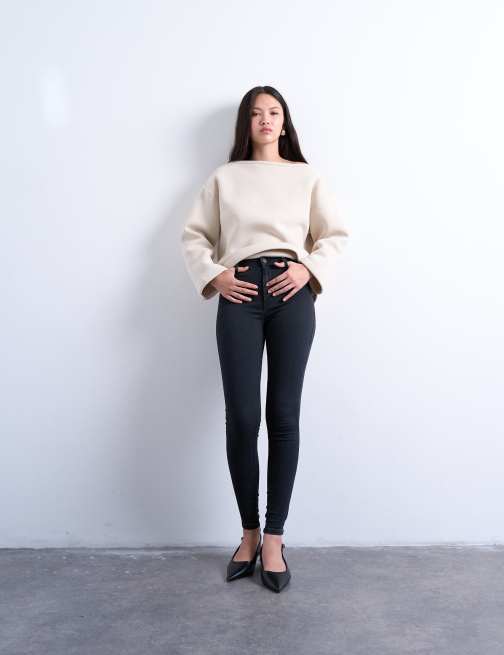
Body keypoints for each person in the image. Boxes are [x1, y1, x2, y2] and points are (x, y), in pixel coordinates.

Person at [180, 85, 349, 592]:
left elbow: (334, 235)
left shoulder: (306, 177)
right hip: (239, 294)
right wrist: (216, 275)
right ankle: (249, 533)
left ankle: (274, 538)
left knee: (283, 415)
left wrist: (308, 269)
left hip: (290, 292)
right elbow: (194, 236)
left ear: (285, 121)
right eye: (257, 114)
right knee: (242, 417)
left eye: (274, 112)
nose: (266, 120)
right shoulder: (225, 178)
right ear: (246, 123)